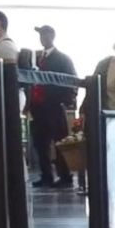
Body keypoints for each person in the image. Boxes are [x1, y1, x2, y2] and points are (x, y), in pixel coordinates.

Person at [29, 25, 78, 188]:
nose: (42, 38)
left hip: (54, 106)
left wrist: (67, 101)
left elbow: (72, 80)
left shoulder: (62, 59)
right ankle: (46, 175)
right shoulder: (37, 58)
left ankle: (65, 175)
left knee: (59, 142)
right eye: (40, 35)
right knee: (40, 144)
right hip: (39, 107)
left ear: (52, 36)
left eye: (44, 34)